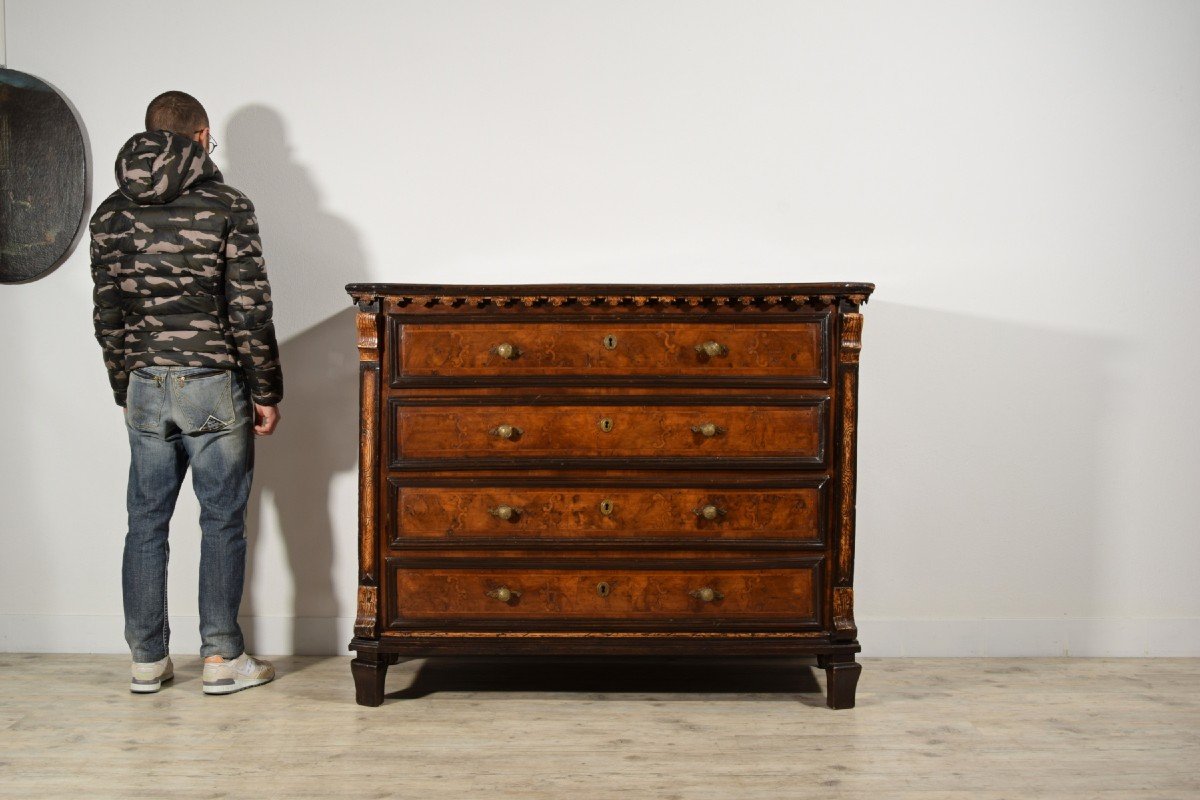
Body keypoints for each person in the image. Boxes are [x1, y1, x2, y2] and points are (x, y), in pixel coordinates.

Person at [90, 91, 283, 695]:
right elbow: (250, 306)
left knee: (145, 521)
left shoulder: (110, 214)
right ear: (201, 136)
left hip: (147, 382)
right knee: (221, 521)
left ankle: (147, 659)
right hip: (214, 384)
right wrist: (266, 388)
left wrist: (125, 384)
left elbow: (108, 313)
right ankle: (223, 659)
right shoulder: (227, 205)